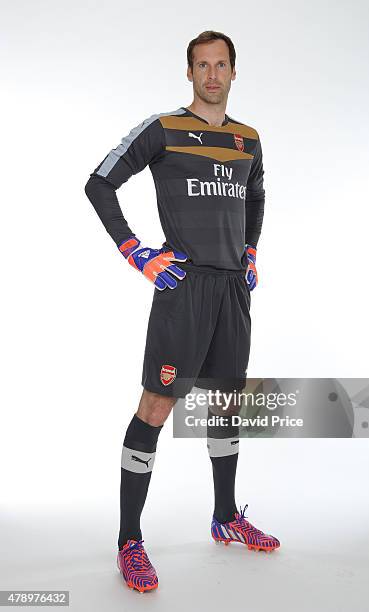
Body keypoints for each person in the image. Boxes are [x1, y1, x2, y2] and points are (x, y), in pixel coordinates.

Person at [84, 29, 279, 594]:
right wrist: (135, 252)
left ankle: (225, 518)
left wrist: (251, 250)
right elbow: (100, 183)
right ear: (189, 73)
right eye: (202, 65)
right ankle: (128, 542)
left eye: (221, 65)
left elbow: (258, 195)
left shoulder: (248, 139)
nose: (212, 75)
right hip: (184, 285)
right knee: (156, 405)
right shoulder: (163, 129)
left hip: (232, 290)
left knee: (227, 401)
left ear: (233, 73)